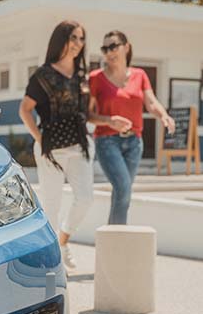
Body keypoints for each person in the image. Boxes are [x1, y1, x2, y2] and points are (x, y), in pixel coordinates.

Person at [19, 20, 94, 271]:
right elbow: (25, 110)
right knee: (51, 203)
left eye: (81, 39)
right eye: (74, 38)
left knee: (84, 198)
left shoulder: (82, 76)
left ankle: (62, 241)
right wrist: (40, 140)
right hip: (50, 149)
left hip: (79, 146)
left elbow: (86, 114)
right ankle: (51, 262)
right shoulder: (43, 75)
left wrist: (110, 121)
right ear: (61, 40)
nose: (78, 44)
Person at [89, 30, 175, 225]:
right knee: (123, 188)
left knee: (123, 192)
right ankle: (118, 236)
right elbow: (88, 114)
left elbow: (151, 102)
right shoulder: (96, 78)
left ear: (126, 47)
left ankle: (113, 235)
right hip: (107, 141)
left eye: (113, 46)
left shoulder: (140, 75)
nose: (109, 52)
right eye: (105, 48)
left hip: (135, 142)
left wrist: (164, 115)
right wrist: (110, 120)